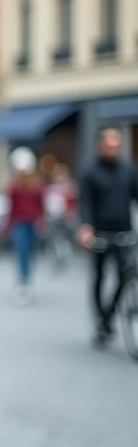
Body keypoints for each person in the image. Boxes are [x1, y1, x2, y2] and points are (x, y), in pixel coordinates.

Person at [77, 127, 138, 345]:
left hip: (124, 232)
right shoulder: (90, 172)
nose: (113, 149)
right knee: (99, 276)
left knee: (126, 274)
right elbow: (85, 202)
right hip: (100, 234)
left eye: (116, 145)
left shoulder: (128, 170)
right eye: (109, 145)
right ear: (100, 146)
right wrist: (86, 228)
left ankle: (109, 314)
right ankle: (100, 319)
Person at [4, 146, 45, 305]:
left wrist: (42, 222)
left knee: (29, 254)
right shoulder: (14, 186)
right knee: (21, 252)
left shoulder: (37, 185)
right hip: (19, 223)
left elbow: (41, 206)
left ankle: (27, 281)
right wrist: (7, 226)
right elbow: (11, 208)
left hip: (32, 223)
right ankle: (22, 282)